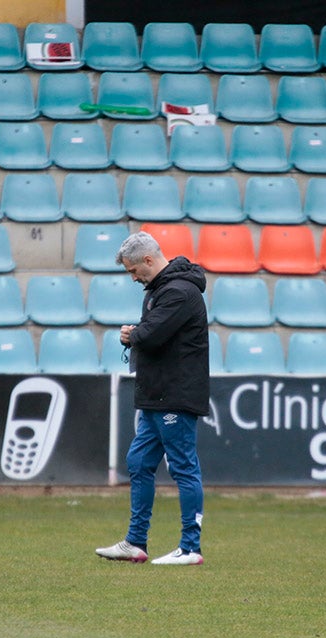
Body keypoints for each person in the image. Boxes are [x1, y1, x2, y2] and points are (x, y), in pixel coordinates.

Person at [95, 231, 209, 566]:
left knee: (183, 467)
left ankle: (190, 547)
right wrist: (137, 334)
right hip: (156, 395)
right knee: (138, 462)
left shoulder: (179, 292)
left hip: (175, 394)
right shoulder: (161, 290)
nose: (132, 278)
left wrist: (133, 334)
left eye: (133, 270)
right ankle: (136, 542)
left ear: (148, 260)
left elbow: (153, 334)